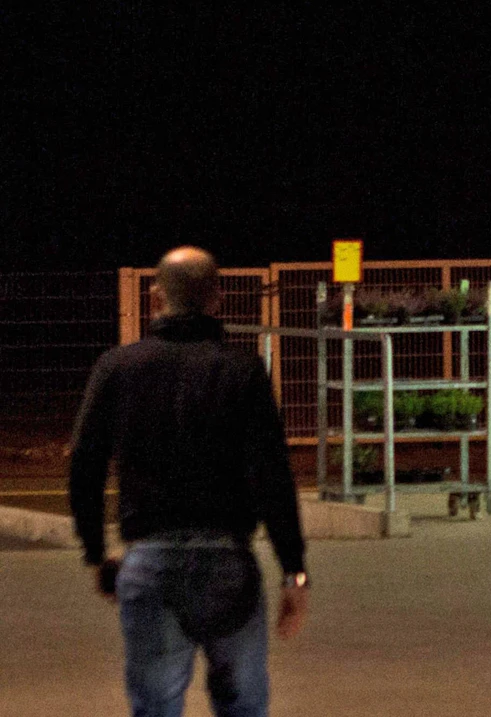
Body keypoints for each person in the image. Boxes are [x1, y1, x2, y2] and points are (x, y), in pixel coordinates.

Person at [70, 247, 309, 716]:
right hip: (230, 565)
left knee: (155, 705)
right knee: (242, 704)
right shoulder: (243, 371)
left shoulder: (117, 368)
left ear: (156, 295)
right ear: (217, 299)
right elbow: (273, 476)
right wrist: (293, 572)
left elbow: (85, 465)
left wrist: (97, 552)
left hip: (149, 562)